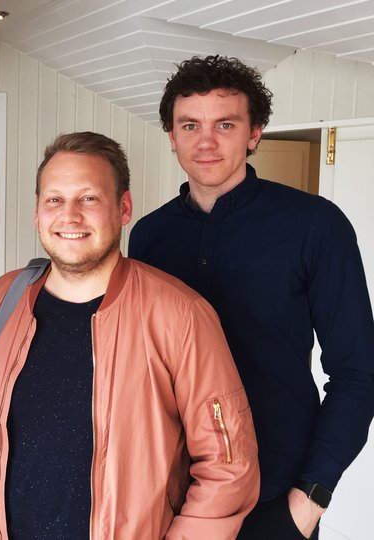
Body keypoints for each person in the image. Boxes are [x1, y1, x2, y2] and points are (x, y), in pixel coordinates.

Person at [0, 131, 259, 540]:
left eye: (89, 198)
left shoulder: (181, 315)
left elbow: (228, 467)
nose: (69, 216)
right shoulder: (5, 297)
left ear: (123, 208)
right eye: (54, 199)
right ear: (37, 212)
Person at [128, 55, 374, 539]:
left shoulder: (316, 225)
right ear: (172, 136)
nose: (206, 142)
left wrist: (310, 498)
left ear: (254, 133)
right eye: (190, 125)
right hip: (172, 494)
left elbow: (358, 373)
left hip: (275, 496)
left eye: (225, 124)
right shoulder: (149, 236)